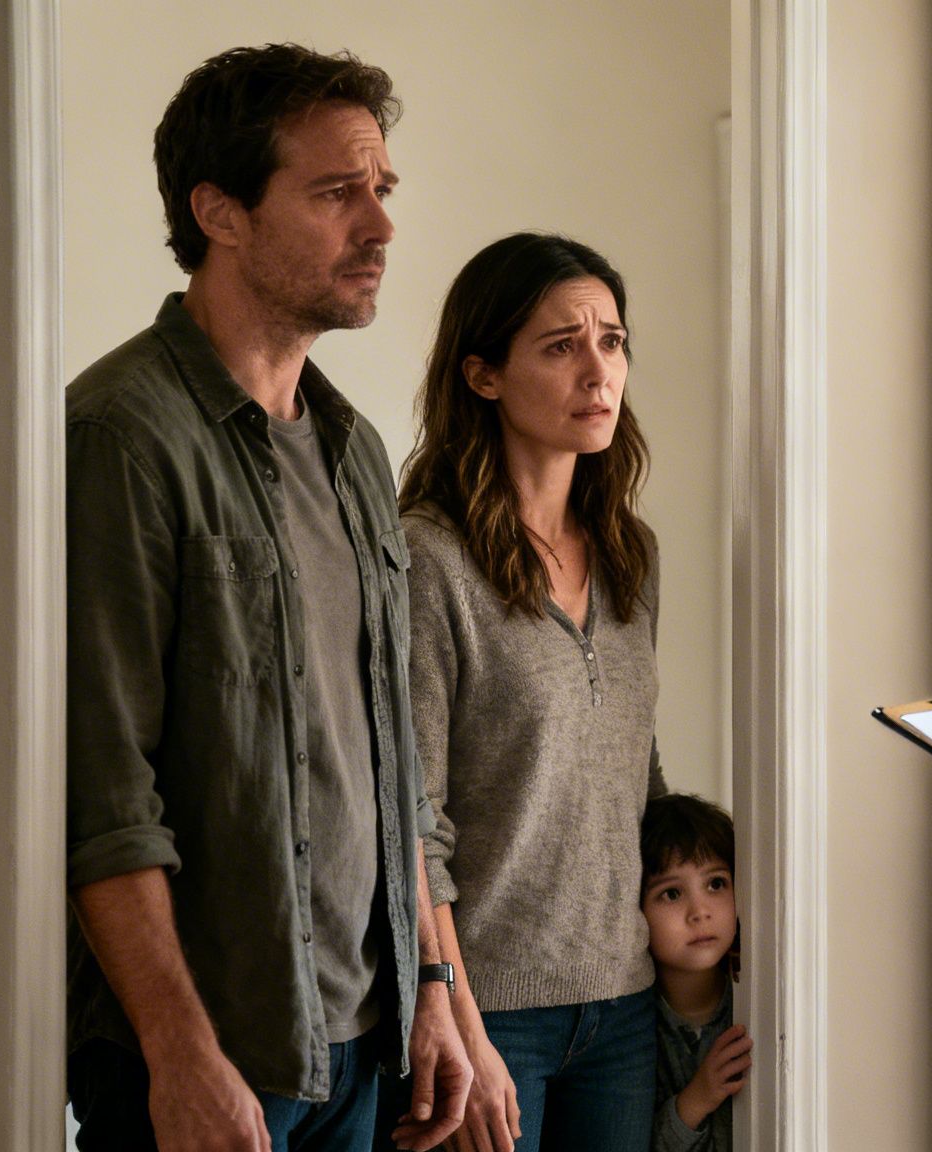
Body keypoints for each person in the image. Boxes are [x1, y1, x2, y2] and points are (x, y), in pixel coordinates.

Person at [64, 43, 469, 1152]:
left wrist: (432, 988)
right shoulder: (122, 436)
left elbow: (391, 764)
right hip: (211, 1053)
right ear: (220, 211)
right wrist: (178, 1051)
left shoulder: (351, 448)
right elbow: (101, 796)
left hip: (362, 1045)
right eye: (336, 192)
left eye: (381, 191)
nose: (379, 227)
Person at [397, 232, 666, 1152]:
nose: (600, 370)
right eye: (562, 346)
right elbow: (409, 821)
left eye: (613, 340)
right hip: (492, 1013)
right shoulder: (429, 561)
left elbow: (636, 770)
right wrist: (461, 1025)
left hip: (627, 1006)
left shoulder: (632, 555)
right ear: (483, 376)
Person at [640, 794, 751, 1152]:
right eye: (672, 893)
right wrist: (696, 1100)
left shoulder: (759, 1002)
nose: (699, 911)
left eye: (716, 884)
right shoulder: (632, 1027)